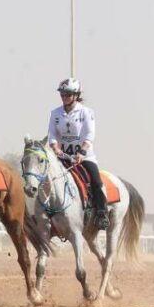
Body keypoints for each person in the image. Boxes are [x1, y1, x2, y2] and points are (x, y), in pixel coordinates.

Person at [48, 78, 109, 229]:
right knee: (46, 178)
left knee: (96, 182)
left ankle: (102, 214)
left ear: (76, 95)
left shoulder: (86, 112)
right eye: (62, 94)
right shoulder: (55, 113)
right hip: (63, 157)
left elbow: (90, 134)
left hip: (84, 157)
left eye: (68, 94)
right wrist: (55, 148)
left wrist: (82, 152)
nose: (64, 97)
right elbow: (52, 134)